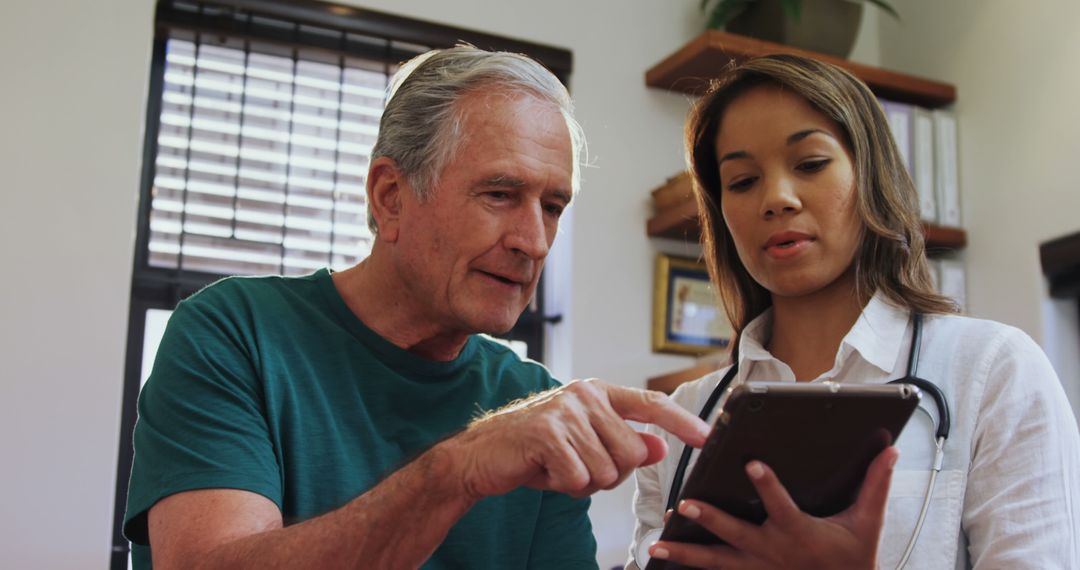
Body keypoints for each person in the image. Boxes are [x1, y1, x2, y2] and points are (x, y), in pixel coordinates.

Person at [124, 45, 712, 570]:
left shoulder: (532, 399)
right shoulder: (234, 334)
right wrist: (459, 469)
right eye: (500, 194)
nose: (533, 242)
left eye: (553, 206)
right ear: (390, 196)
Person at [628, 54, 1080, 569]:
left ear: (871, 176)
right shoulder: (682, 421)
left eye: (810, 164)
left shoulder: (992, 371)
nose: (776, 199)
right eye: (743, 181)